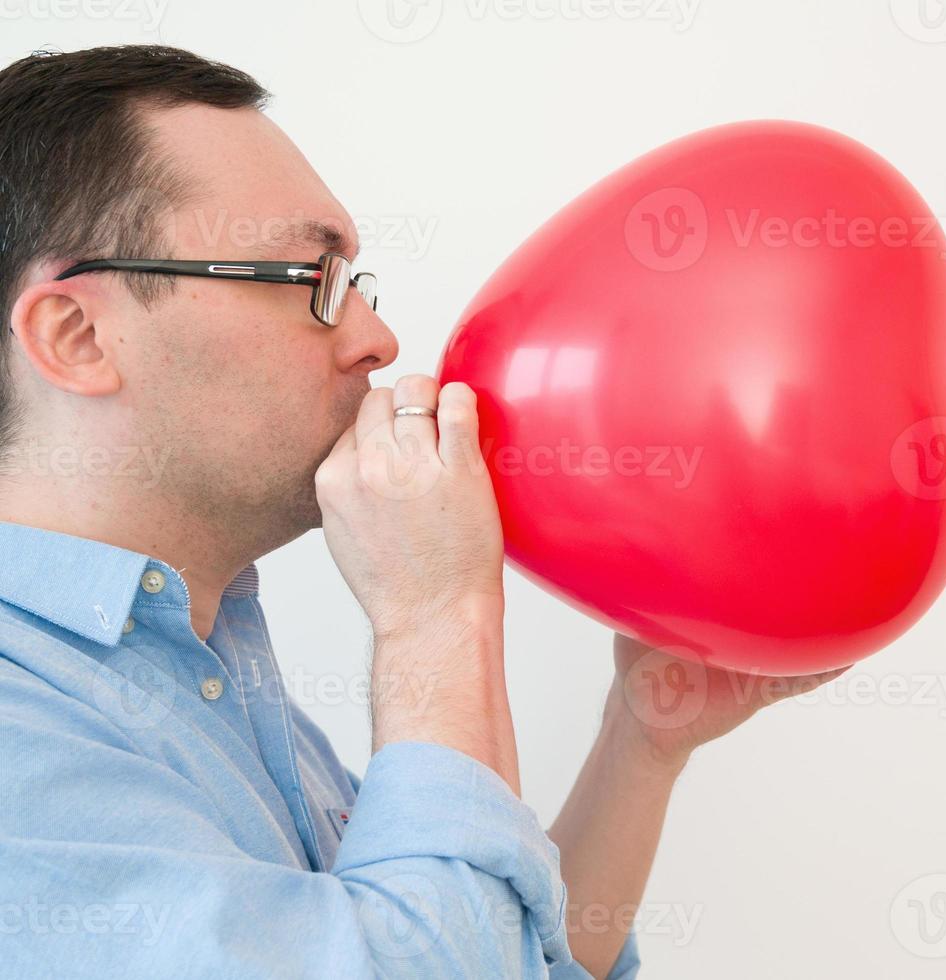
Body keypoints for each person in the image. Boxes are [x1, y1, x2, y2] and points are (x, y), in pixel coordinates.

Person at [0, 44, 842, 978]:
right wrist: (434, 621)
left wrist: (641, 745)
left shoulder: (208, 669)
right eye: (311, 279)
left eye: (355, 283)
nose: (376, 339)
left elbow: (478, 945)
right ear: (76, 336)